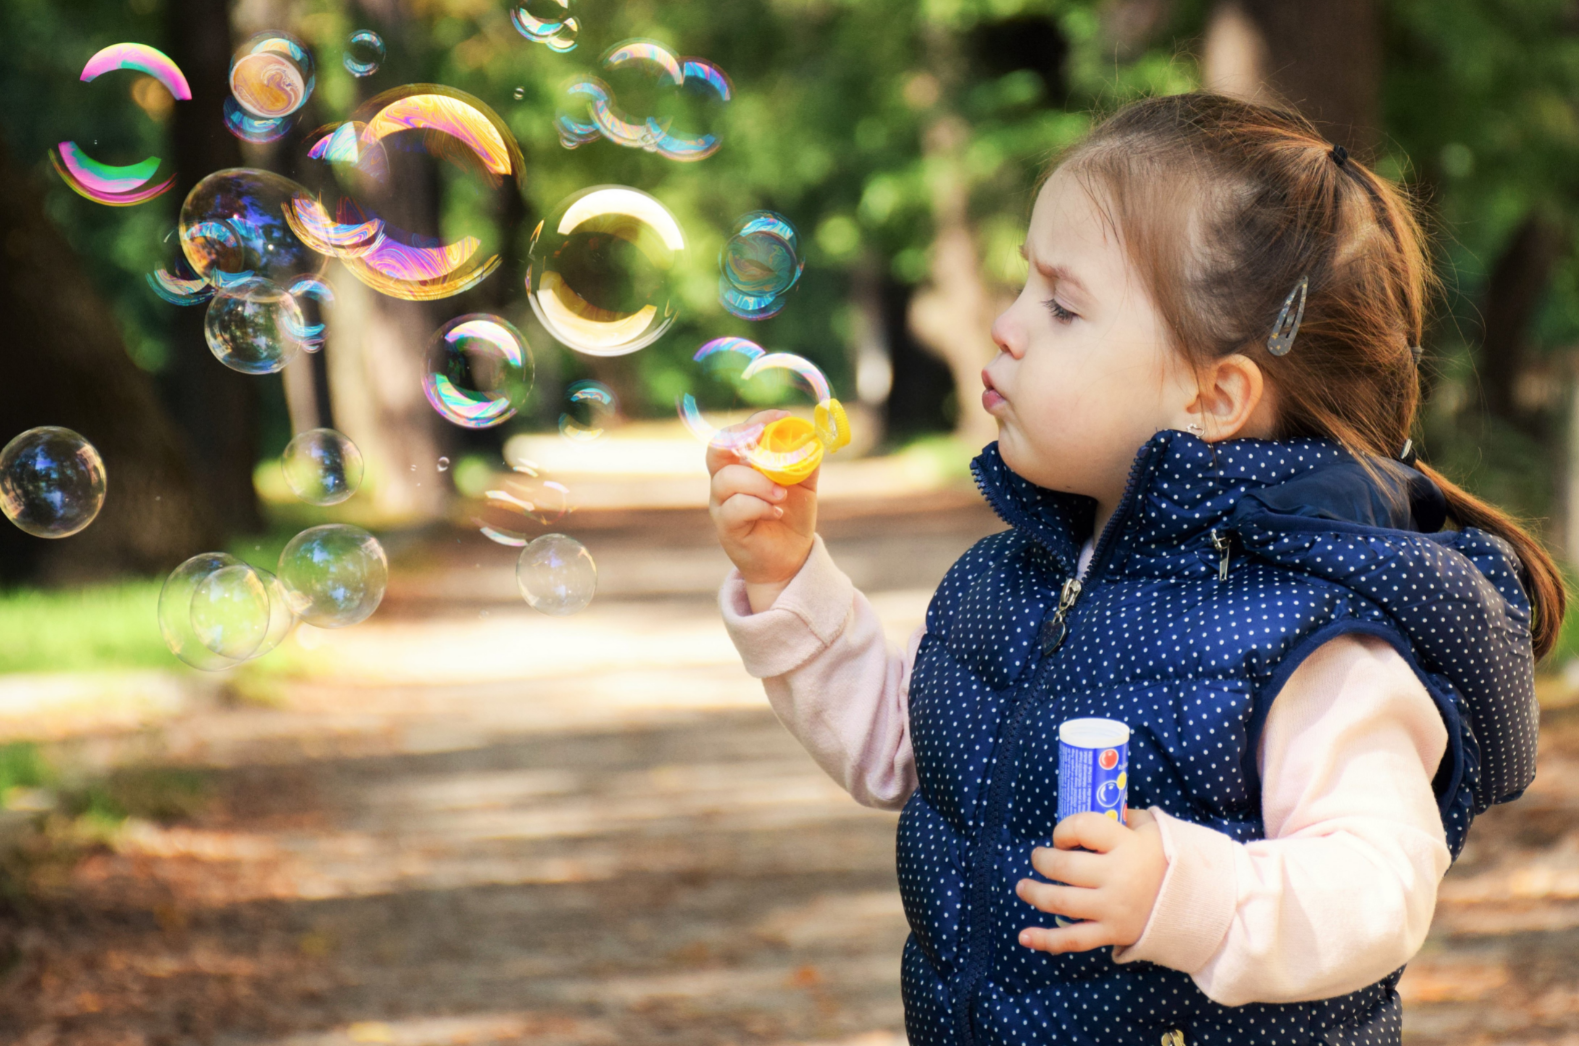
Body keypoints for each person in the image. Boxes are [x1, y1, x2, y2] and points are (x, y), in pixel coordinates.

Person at [706, 92, 1562, 1046]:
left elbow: (1377, 885)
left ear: (1211, 394)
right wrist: (789, 580)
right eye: (1024, 284)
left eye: (1063, 305)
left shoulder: (1306, 635)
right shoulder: (1011, 580)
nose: (1005, 325)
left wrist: (1183, 891)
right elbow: (902, 749)